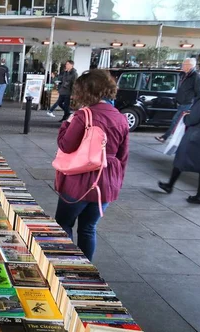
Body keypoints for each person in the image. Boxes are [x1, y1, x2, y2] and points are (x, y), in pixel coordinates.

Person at [54, 69, 129, 261]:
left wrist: (66, 123)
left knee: (63, 223)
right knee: (88, 228)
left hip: (80, 181)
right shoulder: (120, 117)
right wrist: (115, 183)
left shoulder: (83, 115)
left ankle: (67, 264)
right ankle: (86, 269)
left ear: (85, 91)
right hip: (107, 181)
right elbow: (123, 156)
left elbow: (65, 144)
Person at [158, 94, 200, 204]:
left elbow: (193, 119)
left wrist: (186, 116)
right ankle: (199, 195)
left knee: (181, 157)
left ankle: (170, 185)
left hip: (196, 136)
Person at [156, 58, 200, 143]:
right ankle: (180, 140)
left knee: (176, 120)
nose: (182, 65)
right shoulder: (184, 74)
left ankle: (165, 137)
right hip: (181, 102)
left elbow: (199, 94)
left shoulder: (196, 77)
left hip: (188, 103)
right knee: (179, 122)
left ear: (190, 66)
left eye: (184, 64)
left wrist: (193, 106)